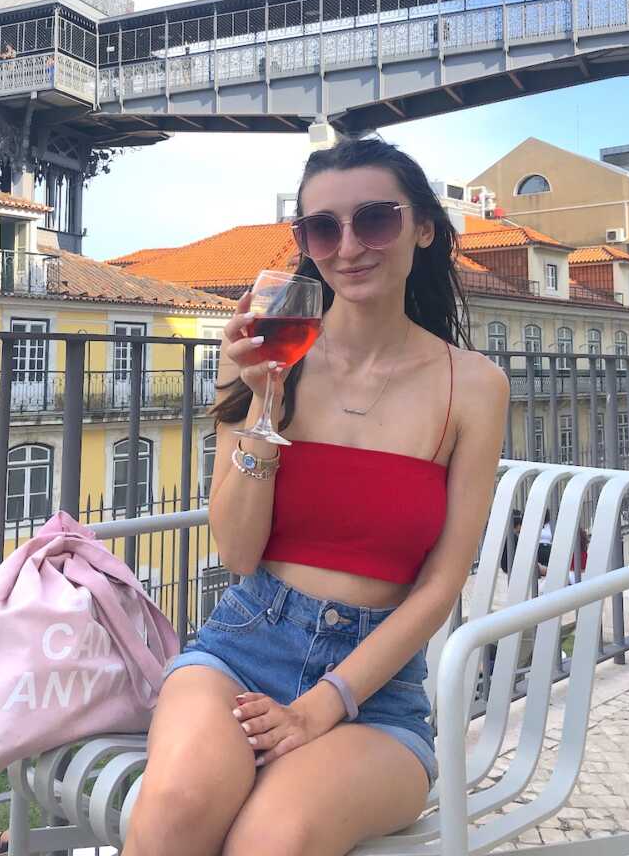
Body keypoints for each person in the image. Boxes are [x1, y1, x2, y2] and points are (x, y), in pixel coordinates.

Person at [121, 136, 510, 855]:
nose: (349, 246)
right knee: (173, 812)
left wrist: (323, 705)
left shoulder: (474, 386)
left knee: (274, 839)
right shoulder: (269, 353)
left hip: (376, 693)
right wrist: (264, 407)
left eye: (375, 219)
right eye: (322, 228)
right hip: (243, 647)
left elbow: (441, 584)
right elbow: (237, 553)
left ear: (423, 228)